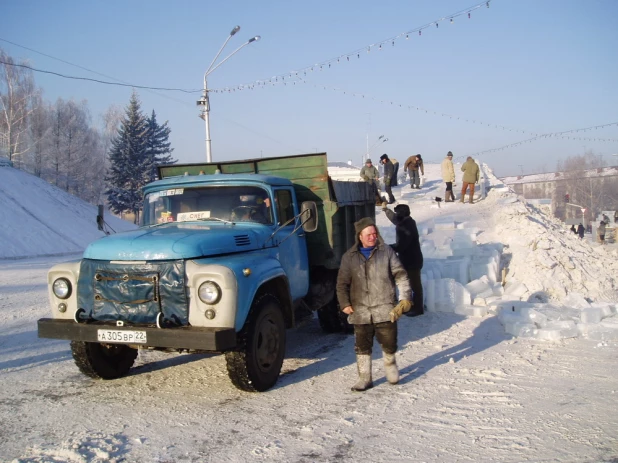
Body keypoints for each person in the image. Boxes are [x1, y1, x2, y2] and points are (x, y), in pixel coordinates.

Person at [336, 217, 412, 392]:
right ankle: (364, 378)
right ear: (360, 236)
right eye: (368, 234)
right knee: (362, 345)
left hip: (385, 307)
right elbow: (342, 284)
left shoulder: (387, 252)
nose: (372, 237)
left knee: (389, 341)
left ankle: (390, 366)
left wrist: (405, 297)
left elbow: (400, 274)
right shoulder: (349, 257)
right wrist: (344, 303)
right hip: (360, 309)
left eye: (374, 233)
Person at [382, 202, 424, 316]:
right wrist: (386, 210)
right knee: (409, 284)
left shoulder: (407, 227)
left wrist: (386, 247)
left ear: (402, 214)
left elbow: (401, 246)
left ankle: (418, 308)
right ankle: (410, 306)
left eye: (397, 212)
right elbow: (395, 219)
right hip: (408, 260)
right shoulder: (406, 221)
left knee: (415, 286)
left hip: (412, 261)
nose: (395, 215)